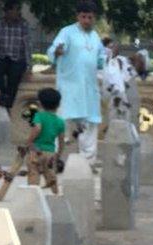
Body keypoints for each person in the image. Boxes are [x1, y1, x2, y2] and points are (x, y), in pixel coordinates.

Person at [47, 1, 104, 164]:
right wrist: (56, 52)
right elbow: (53, 50)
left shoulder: (95, 36)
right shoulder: (67, 33)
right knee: (62, 123)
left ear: (94, 18)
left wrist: (104, 58)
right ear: (77, 16)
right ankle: (52, 160)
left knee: (89, 125)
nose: (86, 20)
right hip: (69, 88)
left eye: (90, 17)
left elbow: (100, 60)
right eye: (83, 17)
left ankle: (87, 162)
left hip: (89, 90)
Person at [0, 0, 31, 111]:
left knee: (15, 77)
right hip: (3, 56)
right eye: (15, 10)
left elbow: (27, 46)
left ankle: (7, 104)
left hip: (17, 58)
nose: (17, 13)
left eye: (18, 10)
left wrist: (29, 66)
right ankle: (1, 96)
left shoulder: (23, 25)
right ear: (8, 12)